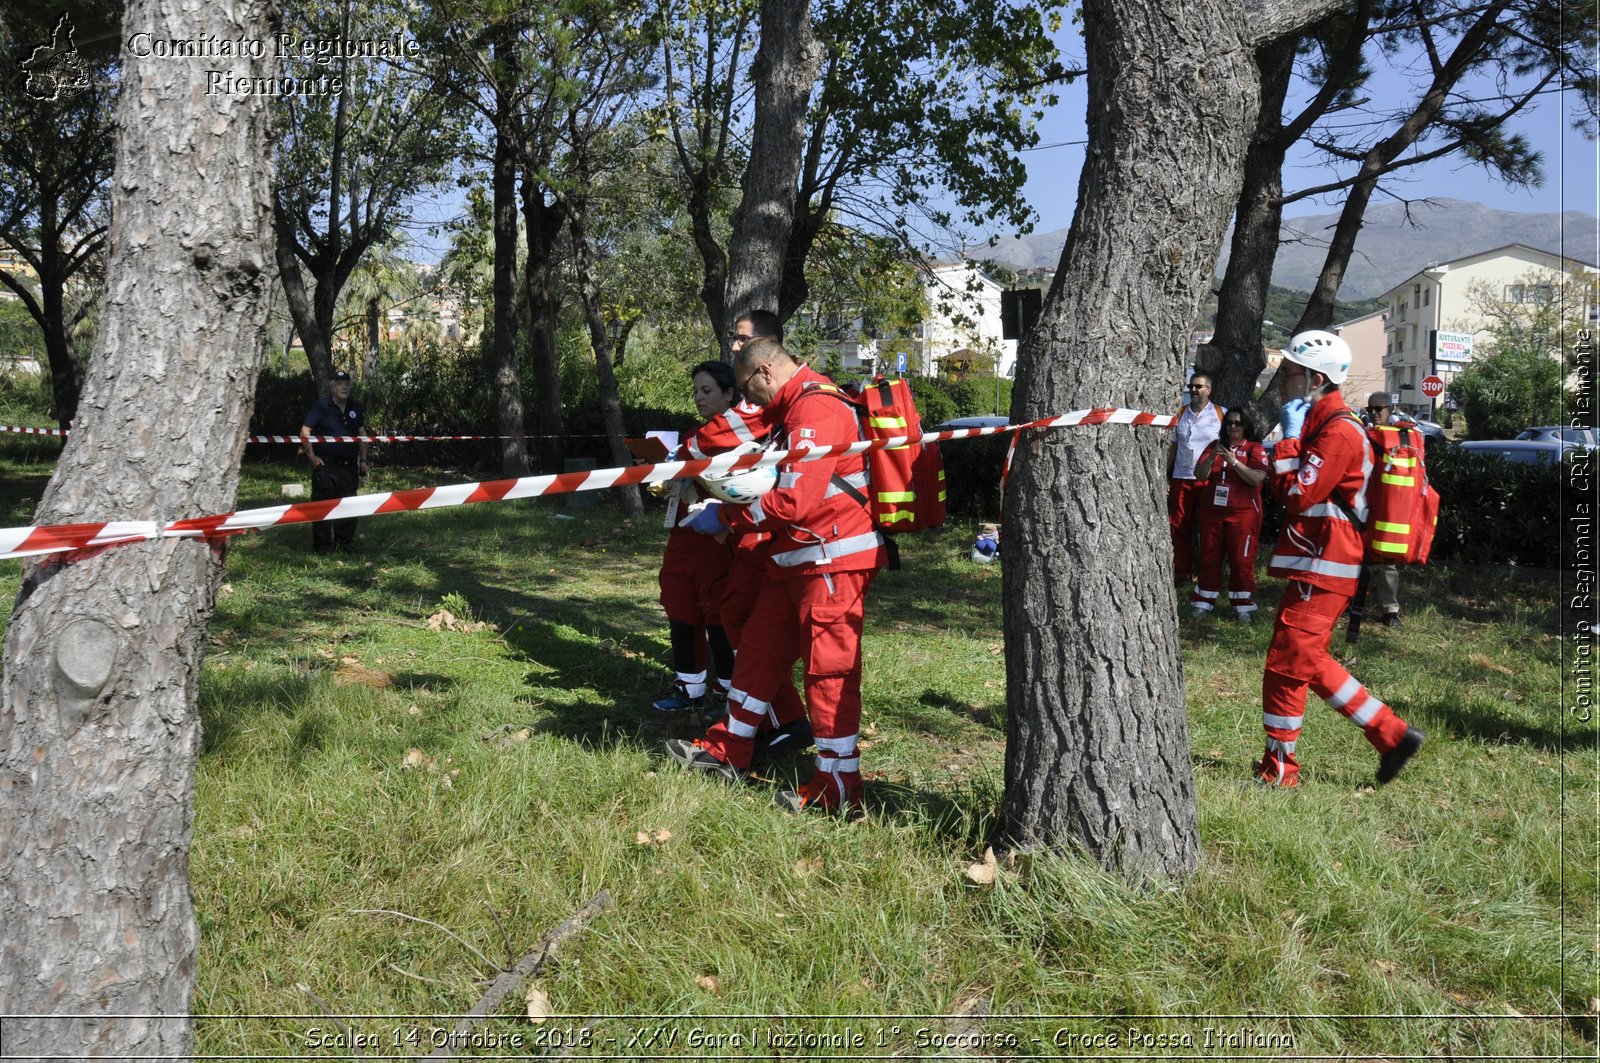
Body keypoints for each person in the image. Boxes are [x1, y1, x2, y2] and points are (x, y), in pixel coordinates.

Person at [666, 336, 887, 813]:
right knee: (758, 653)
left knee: (828, 674)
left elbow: (795, 501)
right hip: (797, 560)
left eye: (747, 388)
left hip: (831, 560)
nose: (749, 401)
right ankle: (729, 748)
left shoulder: (816, 410)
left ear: (764, 372)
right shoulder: (794, 409)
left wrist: (724, 517)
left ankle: (839, 784)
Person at [1256, 331, 1424, 789]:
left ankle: (1280, 771)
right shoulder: (1322, 424)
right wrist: (1291, 445)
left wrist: (1288, 443)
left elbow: (1294, 494)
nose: (1282, 381)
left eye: (1288, 373)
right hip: (1318, 561)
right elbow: (1285, 490)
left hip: (1326, 562)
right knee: (1305, 660)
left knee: (1286, 663)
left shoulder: (1339, 432)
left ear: (1315, 379)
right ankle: (1392, 736)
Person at [651, 361, 742, 714]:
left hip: (719, 538)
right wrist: (668, 483)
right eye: (695, 392)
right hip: (683, 536)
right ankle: (689, 688)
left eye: (707, 391)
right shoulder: (692, 436)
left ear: (729, 393)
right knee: (679, 605)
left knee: (718, 612)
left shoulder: (743, 437)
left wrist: (704, 496)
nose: (699, 399)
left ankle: (728, 693)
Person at [1190, 408, 1267, 621]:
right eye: (1230, 423)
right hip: (1212, 513)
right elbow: (1199, 475)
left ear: (1246, 427)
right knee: (1209, 556)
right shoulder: (1214, 446)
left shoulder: (1254, 448)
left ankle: (1243, 606)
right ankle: (1203, 602)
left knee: (1241, 559)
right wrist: (1213, 455)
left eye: (1238, 423)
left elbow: (1256, 478)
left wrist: (1234, 461)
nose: (1233, 427)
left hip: (1243, 514)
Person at [300, 369, 368, 554]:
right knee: (322, 506)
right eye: (340, 383)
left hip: (348, 467)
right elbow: (304, 432)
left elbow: (362, 435)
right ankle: (322, 547)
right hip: (326, 466)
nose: (344, 386)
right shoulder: (321, 406)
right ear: (332, 387)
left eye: (347, 383)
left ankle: (345, 544)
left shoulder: (355, 408)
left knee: (349, 506)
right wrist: (312, 457)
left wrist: (363, 460)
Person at [1168, 371, 1225, 584]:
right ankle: (1181, 572)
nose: (1194, 389)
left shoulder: (1221, 414)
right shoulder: (1180, 413)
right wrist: (1166, 474)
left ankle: (1205, 573)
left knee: (1208, 528)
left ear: (1208, 390)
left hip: (1208, 480)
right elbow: (1173, 447)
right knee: (1179, 526)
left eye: (1199, 386)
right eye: (1192, 386)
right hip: (1181, 477)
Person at [1363, 392, 1411, 628]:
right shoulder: (1364, 435)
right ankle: (1352, 602)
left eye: (1378, 409)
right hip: (1363, 505)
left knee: (1386, 562)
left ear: (1389, 409)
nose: (1373, 414)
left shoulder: (1400, 438)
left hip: (1386, 509)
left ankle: (1390, 611)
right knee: (1355, 557)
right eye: (1369, 409)